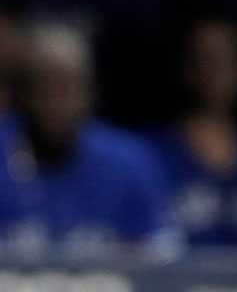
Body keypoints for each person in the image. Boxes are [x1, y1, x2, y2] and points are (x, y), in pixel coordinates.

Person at [0, 23, 181, 261]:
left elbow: (163, 262)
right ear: (23, 93)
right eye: (44, 87)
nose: (55, 103)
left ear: (89, 92)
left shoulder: (130, 162)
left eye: (66, 88)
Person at [144, 13, 237, 246]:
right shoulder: (152, 154)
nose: (217, 70)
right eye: (205, 58)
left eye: (228, 58)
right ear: (184, 65)